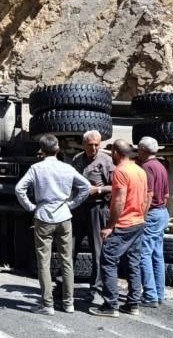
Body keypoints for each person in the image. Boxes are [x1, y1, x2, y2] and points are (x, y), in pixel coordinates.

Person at [15, 134, 91, 315]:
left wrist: (31, 206)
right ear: (57, 149)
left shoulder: (36, 168)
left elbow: (19, 189)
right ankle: (68, 303)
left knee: (44, 261)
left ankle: (47, 304)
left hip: (43, 216)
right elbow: (86, 187)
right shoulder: (67, 168)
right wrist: (72, 204)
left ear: (42, 150)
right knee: (67, 261)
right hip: (64, 216)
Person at [91, 139, 148, 318]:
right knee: (133, 263)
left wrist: (110, 226)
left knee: (108, 262)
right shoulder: (139, 170)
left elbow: (119, 200)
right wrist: (141, 216)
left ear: (115, 152)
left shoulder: (120, 171)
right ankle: (132, 304)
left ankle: (111, 305)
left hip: (123, 225)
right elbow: (147, 197)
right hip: (138, 223)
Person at [70, 130, 114, 299]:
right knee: (70, 247)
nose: (94, 148)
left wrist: (99, 189)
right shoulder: (77, 160)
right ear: (84, 145)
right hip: (79, 208)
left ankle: (94, 288)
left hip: (98, 208)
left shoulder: (106, 161)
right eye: (90, 145)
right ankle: (65, 285)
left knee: (98, 251)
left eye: (97, 144)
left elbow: (116, 186)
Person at [137, 136, 170, 307]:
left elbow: (148, 194)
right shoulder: (161, 166)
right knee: (157, 255)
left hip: (152, 213)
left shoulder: (147, 167)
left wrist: (142, 216)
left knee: (144, 254)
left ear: (143, 150)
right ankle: (159, 293)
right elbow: (166, 194)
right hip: (163, 212)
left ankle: (150, 295)